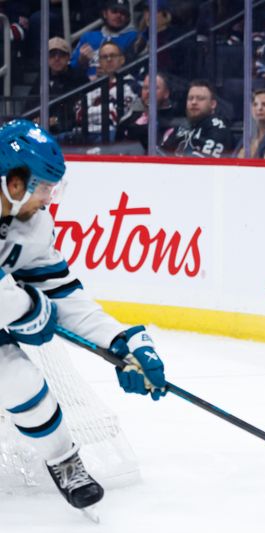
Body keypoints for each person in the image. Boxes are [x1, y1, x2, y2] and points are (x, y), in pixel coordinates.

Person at [0, 119, 167, 512]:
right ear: (14, 183)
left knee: (21, 381)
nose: (49, 198)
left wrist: (120, 339)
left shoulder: (33, 224)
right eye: (43, 187)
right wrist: (27, 309)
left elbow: (62, 294)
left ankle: (64, 460)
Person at [160, 80, 234, 158]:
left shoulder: (218, 129)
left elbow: (202, 165)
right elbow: (161, 154)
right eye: (190, 98)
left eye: (200, 98)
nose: (194, 102)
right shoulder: (180, 128)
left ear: (213, 104)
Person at [70, 0, 138, 79]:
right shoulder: (88, 36)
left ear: (127, 18)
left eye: (123, 13)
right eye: (114, 11)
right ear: (105, 13)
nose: (118, 15)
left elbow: (133, 67)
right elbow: (71, 66)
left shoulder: (132, 37)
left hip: (119, 84)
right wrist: (81, 61)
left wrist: (111, 70)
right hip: (87, 86)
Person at [118, 72, 179, 151]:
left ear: (166, 93)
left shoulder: (176, 120)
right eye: (145, 88)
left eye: (155, 88)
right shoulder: (128, 120)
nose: (149, 92)